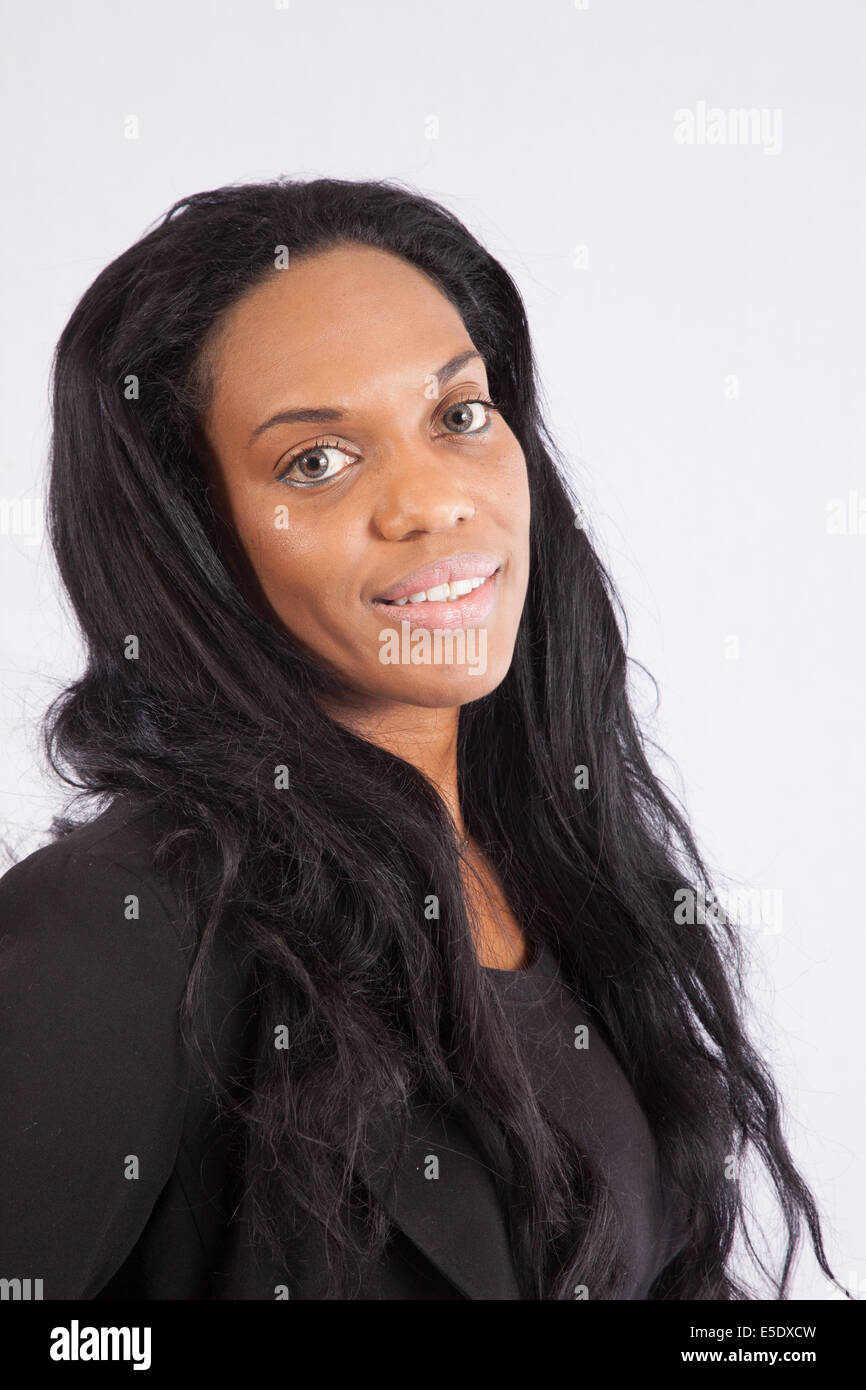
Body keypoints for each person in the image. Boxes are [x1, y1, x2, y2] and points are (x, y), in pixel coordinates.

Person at [0, 177, 844, 1300]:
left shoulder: (564, 869)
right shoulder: (124, 925)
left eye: (456, 416)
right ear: (193, 540)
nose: (432, 501)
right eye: (316, 461)